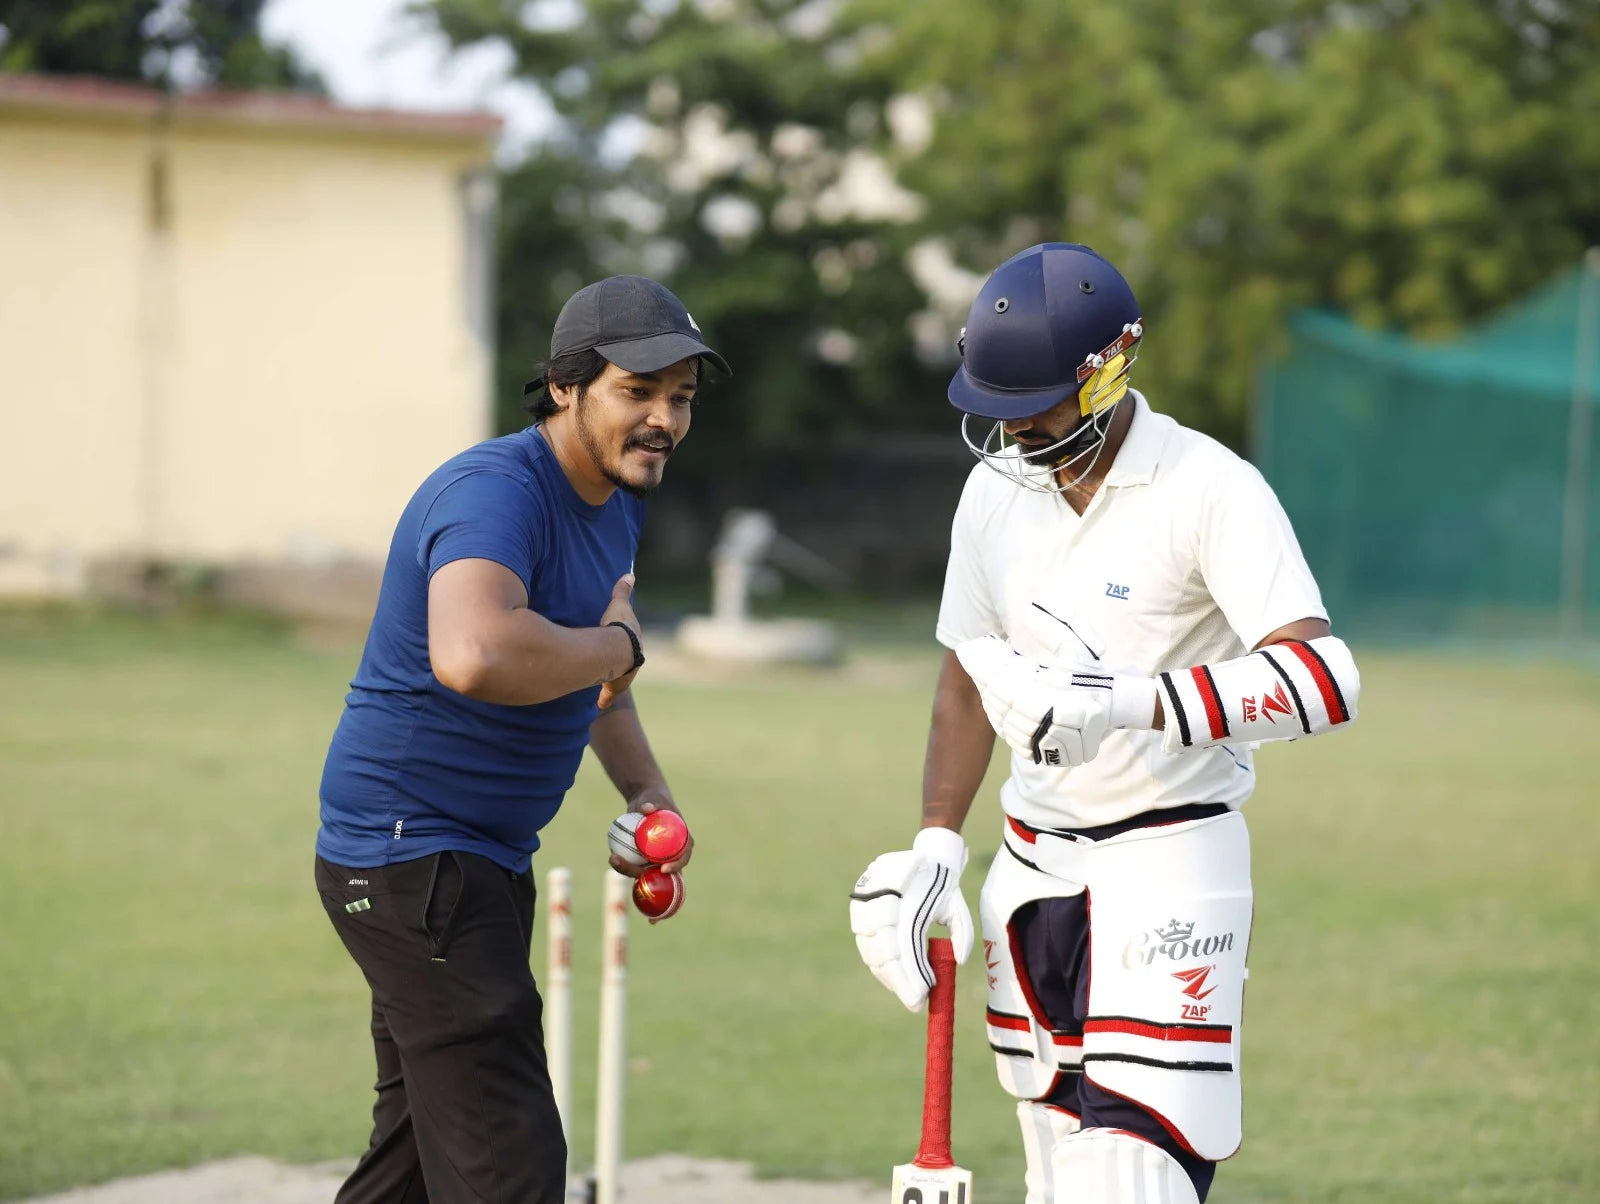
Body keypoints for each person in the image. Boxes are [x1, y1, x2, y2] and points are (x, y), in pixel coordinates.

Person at [849, 243, 1360, 1204]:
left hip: (1169, 862)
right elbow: (964, 676)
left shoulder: (1211, 487)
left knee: (1131, 1175)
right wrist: (933, 848)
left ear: (1110, 367)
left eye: (1036, 401)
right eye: (996, 406)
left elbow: (1323, 681)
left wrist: (1125, 700)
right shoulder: (993, 490)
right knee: (1052, 1163)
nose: (1016, 429)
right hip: (1030, 863)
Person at [314, 275, 728, 1204]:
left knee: (417, 1162)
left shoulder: (619, 499)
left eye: (682, 399)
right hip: (413, 859)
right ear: (566, 386)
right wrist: (620, 642)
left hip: (476, 863)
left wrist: (649, 798)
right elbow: (475, 653)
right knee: (512, 1169)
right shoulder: (497, 490)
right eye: (639, 391)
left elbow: (594, 682)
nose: (663, 417)